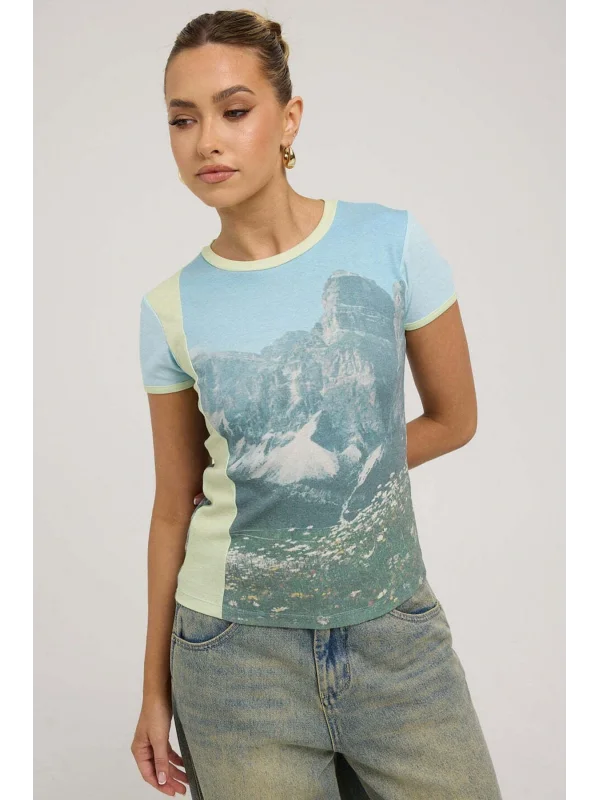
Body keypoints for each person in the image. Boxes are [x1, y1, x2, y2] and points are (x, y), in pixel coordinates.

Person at [131, 8, 503, 800]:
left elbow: (455, 418)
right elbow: (173, 508)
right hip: (234, 662)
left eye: (234, 111)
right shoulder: (170, 307)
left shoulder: (391, 243)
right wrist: (153, 690)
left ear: (289, 118)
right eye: (182, 120)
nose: (207, 141)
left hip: (396, 641)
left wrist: (351, 467)